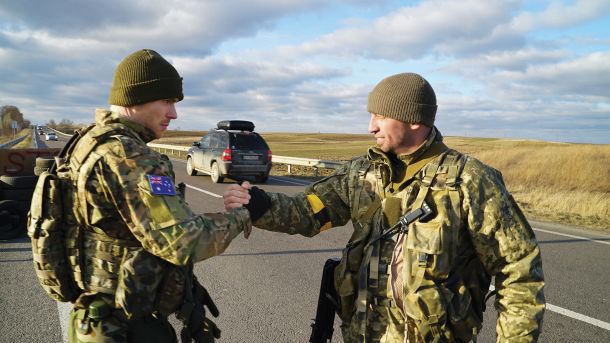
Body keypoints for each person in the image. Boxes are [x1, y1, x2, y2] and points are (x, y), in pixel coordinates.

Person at [224, 73, 545, 342]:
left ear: (414, 120)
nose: (370, 127)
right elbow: (309, 213)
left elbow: (518, 273)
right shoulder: (362, 172)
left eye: (380, 116)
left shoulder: (470, 180)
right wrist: (260, 205)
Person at [62, 49, 251, 342]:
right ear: (137, 97)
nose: (173, 114)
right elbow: (184, 242)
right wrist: (240, 216)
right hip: (125, 326)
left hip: (92, 318)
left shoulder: (88, 141)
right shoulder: (131, 157)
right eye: (167, 101)